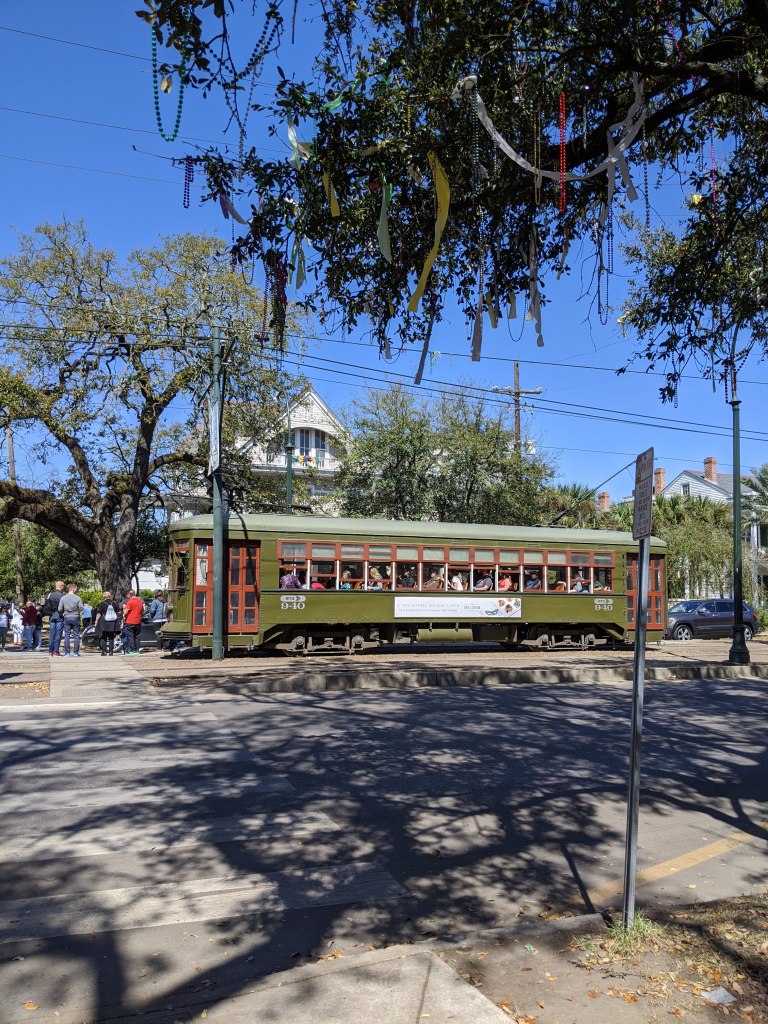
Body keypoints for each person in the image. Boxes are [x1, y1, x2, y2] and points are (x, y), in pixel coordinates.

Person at [59, 583, 84, 657]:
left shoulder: (63, 598)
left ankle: (67, 652)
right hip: (76, 616)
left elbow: (59, 609)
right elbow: (81, 608)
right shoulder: (78, 598)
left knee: (67, 635)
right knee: (76, 635)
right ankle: (76, 652)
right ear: (74, 589)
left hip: (67, 616)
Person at [94, 591, 121, 656]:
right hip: (113, 622)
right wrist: (114, 614)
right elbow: (119, 612)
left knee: (104, 637)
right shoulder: (114, 603)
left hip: (104, 622)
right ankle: (111, 652)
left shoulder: (102, 603)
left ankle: (104, 652)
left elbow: (99, 613)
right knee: (111, 637)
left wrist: (96, 621)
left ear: (104, 596)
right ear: (109, 596)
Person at [44, 580, 66, 657]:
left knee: (52, 634)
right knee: (58, 634)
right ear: (61, 586)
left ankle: (50, 651)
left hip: (52, 615)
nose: (64, 587)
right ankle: (56, 651)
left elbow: (46, 605)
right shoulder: (63, 595)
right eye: (63, 586)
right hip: (60, 615)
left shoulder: (50, 595)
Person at [122, 589, 145, 655]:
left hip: (130, 621)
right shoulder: (140, 602)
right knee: (137, 636)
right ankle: (137, 650)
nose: (127, 596)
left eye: (127, 595)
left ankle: (132, 650)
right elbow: (142, 611)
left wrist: (124, 607)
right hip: (138, 621)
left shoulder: (130, 601)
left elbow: (125, 612)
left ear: (129, 594)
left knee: (131, 636)